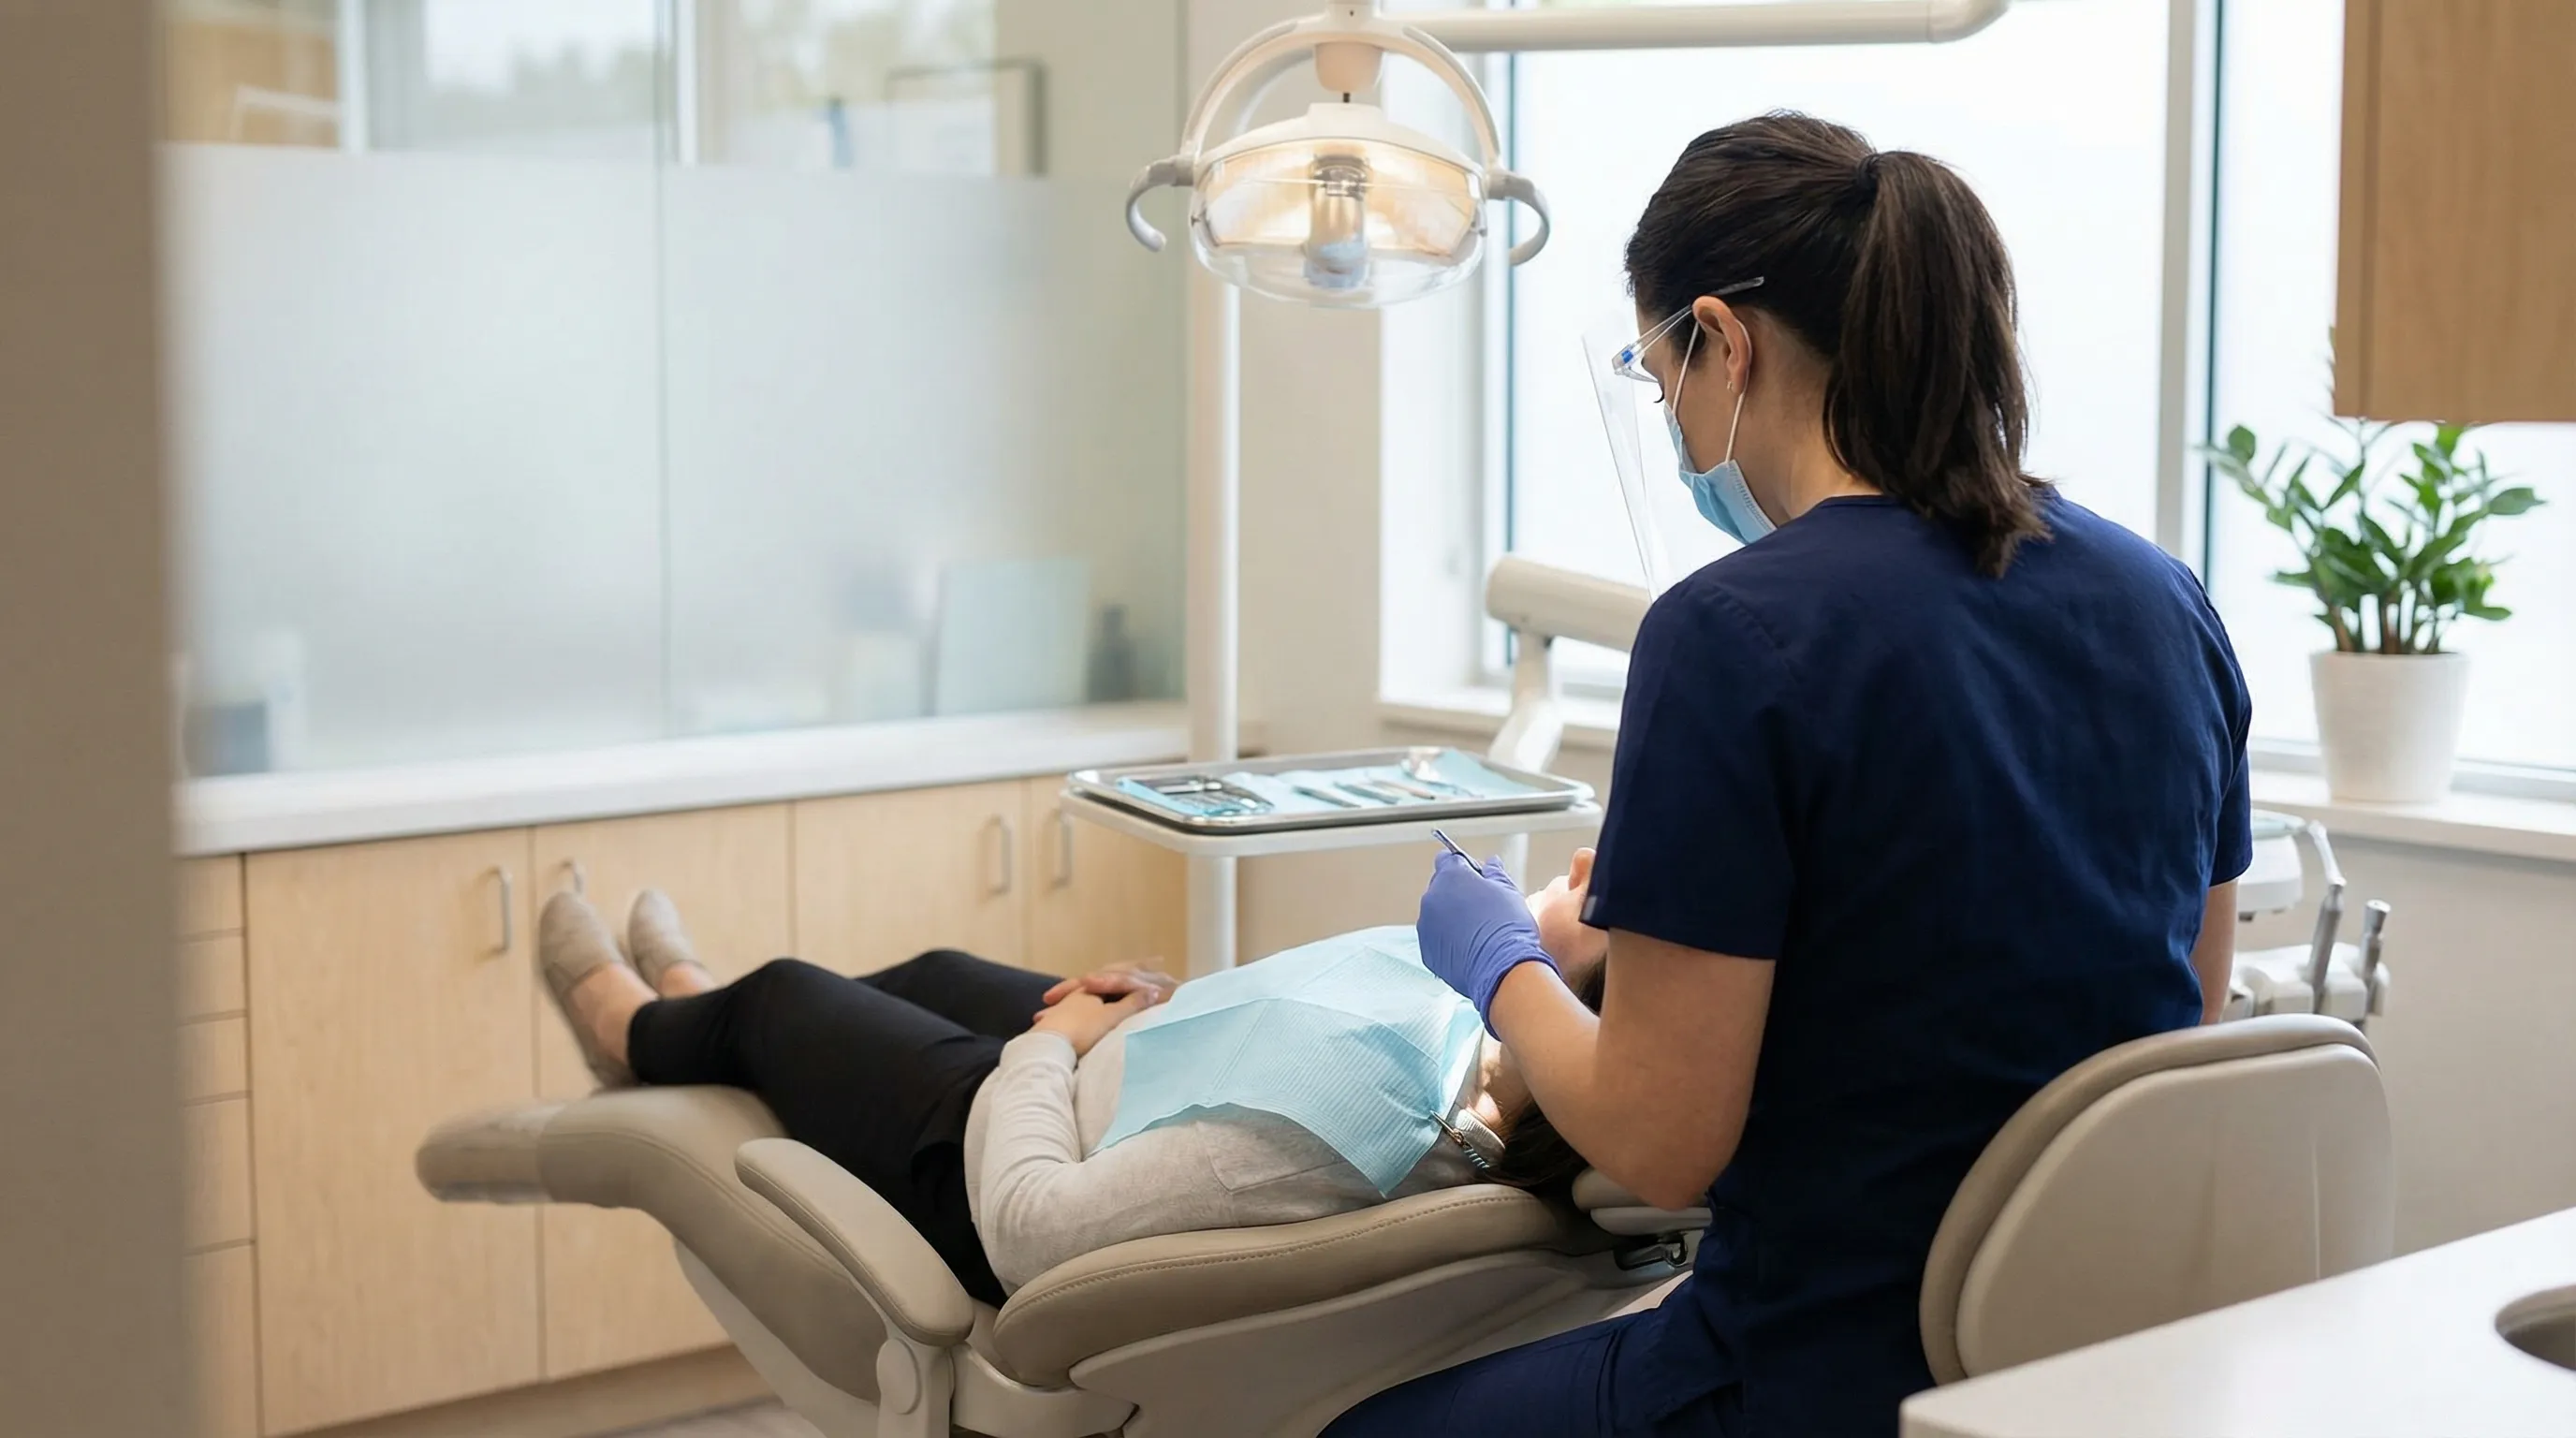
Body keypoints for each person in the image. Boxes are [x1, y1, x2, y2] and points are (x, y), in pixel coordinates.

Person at [1330, 112, 2252, 1437]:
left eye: (1661, 380)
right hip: (2081, 1370)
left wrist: (1496, 960)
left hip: (1816, 1376)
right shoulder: (2168, 604)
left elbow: (1660, 1143)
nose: (1672, 421)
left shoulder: (1731, 636)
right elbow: (2183, 1032)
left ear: (1723, 340)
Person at [537, 853, 1612, 1305]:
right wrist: (1168, 1008)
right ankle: (698, 1016)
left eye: (1595, 885)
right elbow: (1280, 1064)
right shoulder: (1472, 1060)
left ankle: (638, 1030)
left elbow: (1032, 1226)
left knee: (783, 1000)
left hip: (991, 1156)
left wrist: (1050, 1048)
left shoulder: (1360, 1120)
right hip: (1111, 1082)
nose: (1569, 867)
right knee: (940, 974)